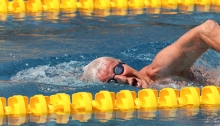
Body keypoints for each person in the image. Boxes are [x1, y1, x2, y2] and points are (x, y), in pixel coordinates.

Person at [83, 20, 220, 88]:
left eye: (118, 69)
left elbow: (206, 30)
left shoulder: (160, 71)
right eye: (112, 81)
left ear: (123, 62)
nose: (122, 78)